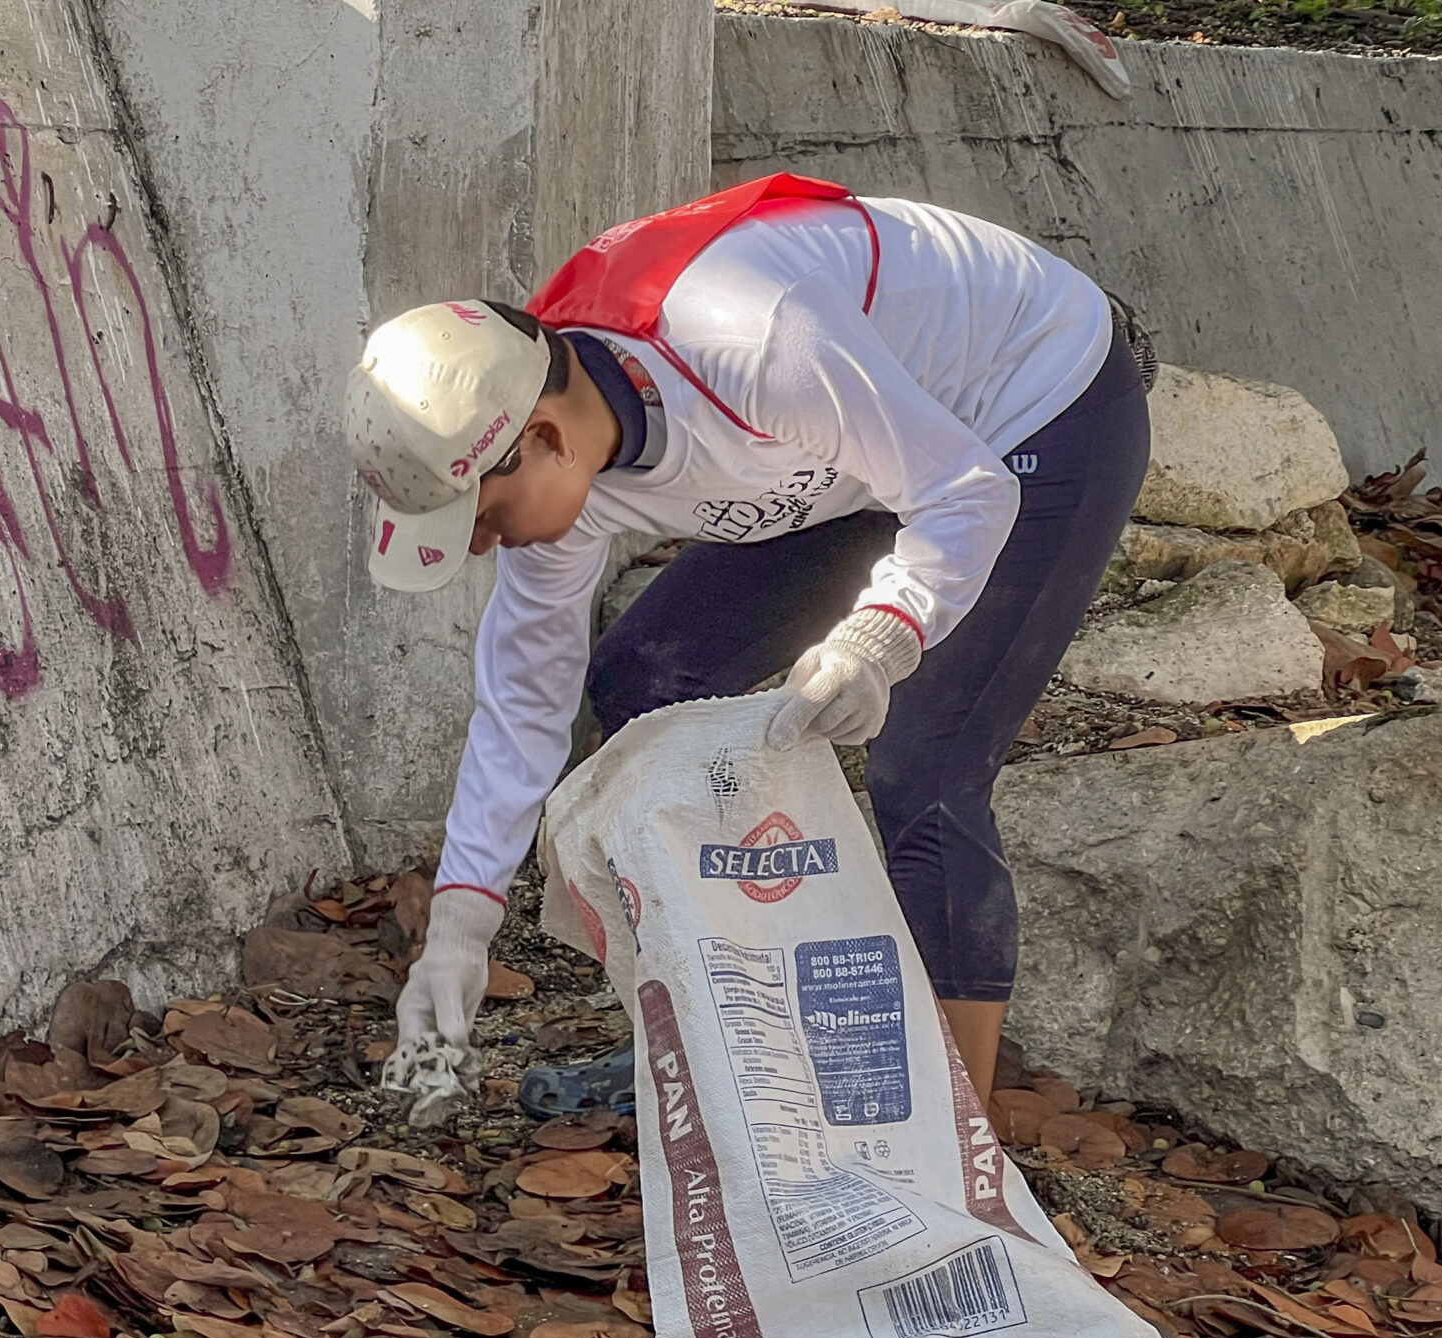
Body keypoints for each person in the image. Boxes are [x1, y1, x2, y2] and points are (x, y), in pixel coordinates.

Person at [344, 175, 1155, 1125]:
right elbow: (526, 702)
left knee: (926, 760)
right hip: (849, 450)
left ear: (545, 438)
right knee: (649, 680)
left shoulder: (752, 339)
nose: (480, 546)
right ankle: (724, 1030)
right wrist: (460, 926)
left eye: (479, 519)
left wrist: (881, 634)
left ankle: (954, 1144)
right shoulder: (559, 474)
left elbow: (965, 491)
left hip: (1027, 406)